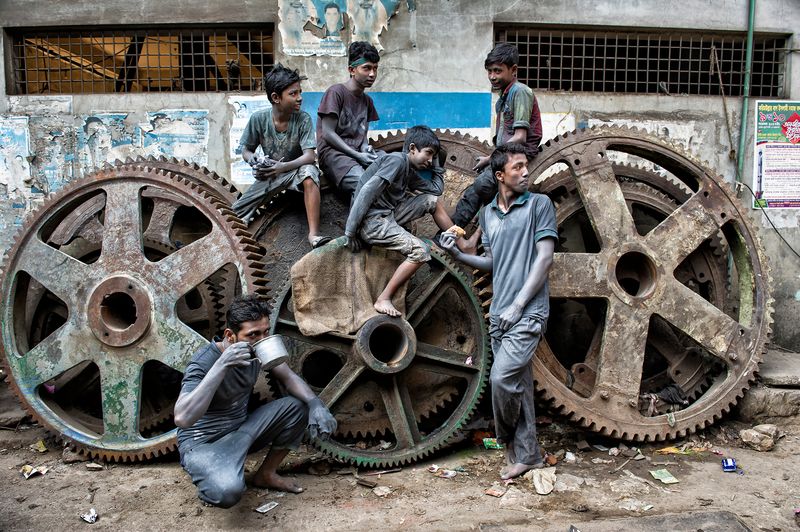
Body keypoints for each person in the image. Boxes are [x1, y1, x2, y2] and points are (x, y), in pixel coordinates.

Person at [439, 143, 557, 480]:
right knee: (518, 384)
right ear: (500, 174)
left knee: (501, 379)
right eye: (517, 167)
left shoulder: (539, 205)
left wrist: (520, 304)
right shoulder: (489, 214)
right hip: (500, 316)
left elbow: (545, 259)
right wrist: (460, 257)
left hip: (528, 311)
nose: (525, 173)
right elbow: (491, 261)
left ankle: (504, 439)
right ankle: (529, 455)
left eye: (525, 166)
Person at [174, 295, 337, 508]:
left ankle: (266, 474)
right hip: (204, 444)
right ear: (230, 336)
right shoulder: (203, 362)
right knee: (228, 491)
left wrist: (316, 404)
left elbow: (288, 377)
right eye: (253, 334)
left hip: (242, 430)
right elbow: (182, 418)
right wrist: (221, 365)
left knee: (297, 406)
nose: (261, 339)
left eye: (265, 331)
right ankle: (215, 475)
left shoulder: (256, 350)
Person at [444, 42, 543, 253]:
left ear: (513, 70)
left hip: (518, 155)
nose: (492, 76)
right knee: (478, 194)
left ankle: (458, 238)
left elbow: (520, 137)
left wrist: (490, 159)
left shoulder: (520, 92)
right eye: (489, 71)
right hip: (505, 154)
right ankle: (457, 236)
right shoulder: (504, 95)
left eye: (497, 71)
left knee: (481, 188)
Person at [344, 125, 451, 317]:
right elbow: (366, 192)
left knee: (431, 201)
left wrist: (436, 166)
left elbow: (435, 190)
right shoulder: (396, 161)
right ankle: (383, 298)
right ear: (412, 148)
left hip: (389, 215)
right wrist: (350, 232)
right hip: (373, 222)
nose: (429, 160)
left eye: (432, 156)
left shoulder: (408, 169)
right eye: (428, 153)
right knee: (420, 251)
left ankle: (456, 238)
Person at [231, 64, 331, 249]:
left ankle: (314, 234)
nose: (300, 98)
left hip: (295, 171)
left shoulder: (303, 119)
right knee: (235, 212)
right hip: (271, 174)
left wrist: (282, 167)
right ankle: (238, 244)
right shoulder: (258, 119)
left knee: (309, 173)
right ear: (276, 98)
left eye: (300, 92)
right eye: (293, 94)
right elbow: (247, 150)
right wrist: (252, 159)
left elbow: (309, 156)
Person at [317, 41, 380, 198]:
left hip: (356, 155)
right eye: (366, 68)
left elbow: (362, 137)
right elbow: (328, 134)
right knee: (363, 183)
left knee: (393, 164)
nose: (372, 74)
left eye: (375, 68)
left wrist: (365, 149)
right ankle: (357, 223)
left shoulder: (367, 101)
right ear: (352, 70)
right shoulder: (336, 93)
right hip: (333, 155)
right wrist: (358, 155)